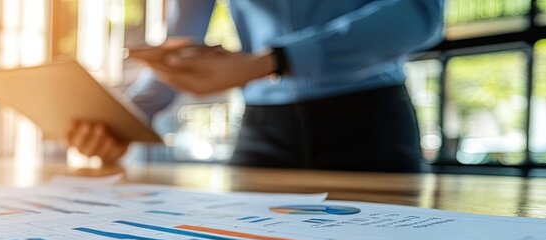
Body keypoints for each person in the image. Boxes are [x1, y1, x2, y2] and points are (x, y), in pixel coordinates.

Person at [65, 0, 444, 172]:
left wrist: (273, 61)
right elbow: (178, 49)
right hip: (263, 130)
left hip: (370, 120)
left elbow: (419, 14)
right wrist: (122, 120)